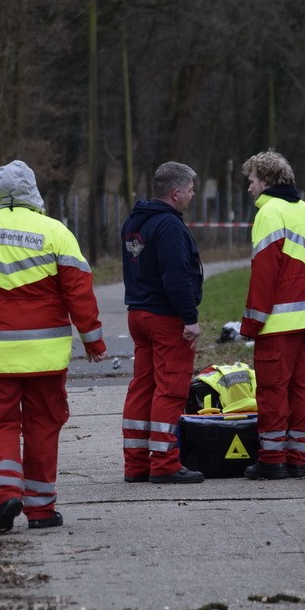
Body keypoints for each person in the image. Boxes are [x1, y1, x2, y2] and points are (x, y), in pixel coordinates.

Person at [0, 160, 107, 533]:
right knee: (42, 426)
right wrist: (93, 340)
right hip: (45, 357)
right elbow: (78, 291)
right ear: (32, 190)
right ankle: (41, 510)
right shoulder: (56, 232)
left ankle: (6, 494)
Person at [240, 150, 305, 480]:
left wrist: (252, 322)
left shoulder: (269, 214)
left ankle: (271, 460)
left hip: (280, 321)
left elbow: (264, 275)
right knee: (304, 387)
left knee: (272, 390)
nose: (249, 188)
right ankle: (297, 459)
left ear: (266, 181)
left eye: (251, 180)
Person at [120, 161, 205, 484]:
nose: (192, 195)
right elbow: (177, 277)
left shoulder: (134, 221)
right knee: (170, 389)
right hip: (165, 317)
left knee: (143, 386)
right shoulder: (168, 225)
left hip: (138, 314)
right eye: (191, 189)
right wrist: (190, 318)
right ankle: (165, 462)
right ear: (176, 192)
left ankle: (136, 462)